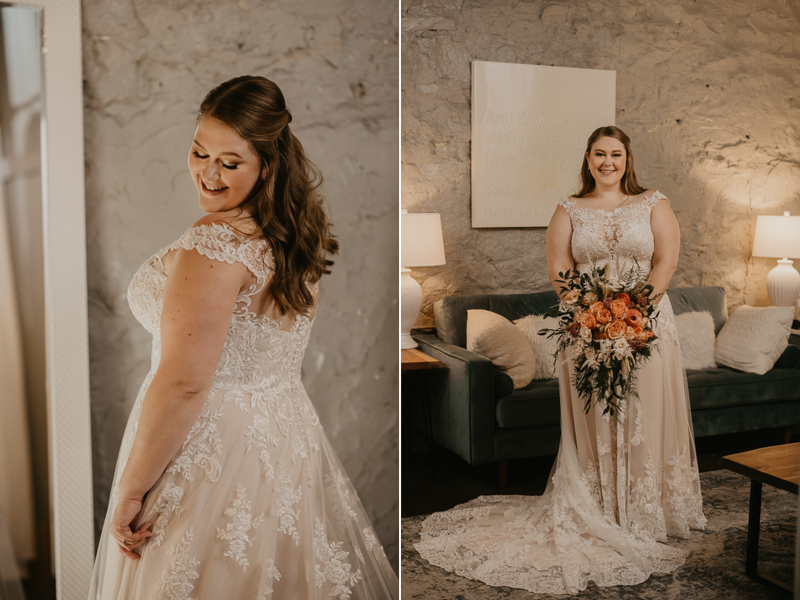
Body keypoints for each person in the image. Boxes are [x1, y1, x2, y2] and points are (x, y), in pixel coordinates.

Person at [88, 76, 398, 599]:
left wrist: (130, 490)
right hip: (281, 436)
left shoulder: (216, 242)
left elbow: (185, 382)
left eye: (230, 163)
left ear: (266, 166)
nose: (207, 174)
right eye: (199, 151)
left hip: (205, 444)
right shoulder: (291, 233)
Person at [415, 126, 706, 594]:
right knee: (596, 418)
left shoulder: (655, 201)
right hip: (588, 324)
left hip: (648, 325)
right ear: (587, 159)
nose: (607, 162)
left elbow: (666, 263)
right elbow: (559, 270)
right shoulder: (568, 209)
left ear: (627, 159)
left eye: (616, 154)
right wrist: (593, 316)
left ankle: (645, 510)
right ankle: (599, 506)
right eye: (599, 154)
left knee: (645, 414)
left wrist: (632, 316)